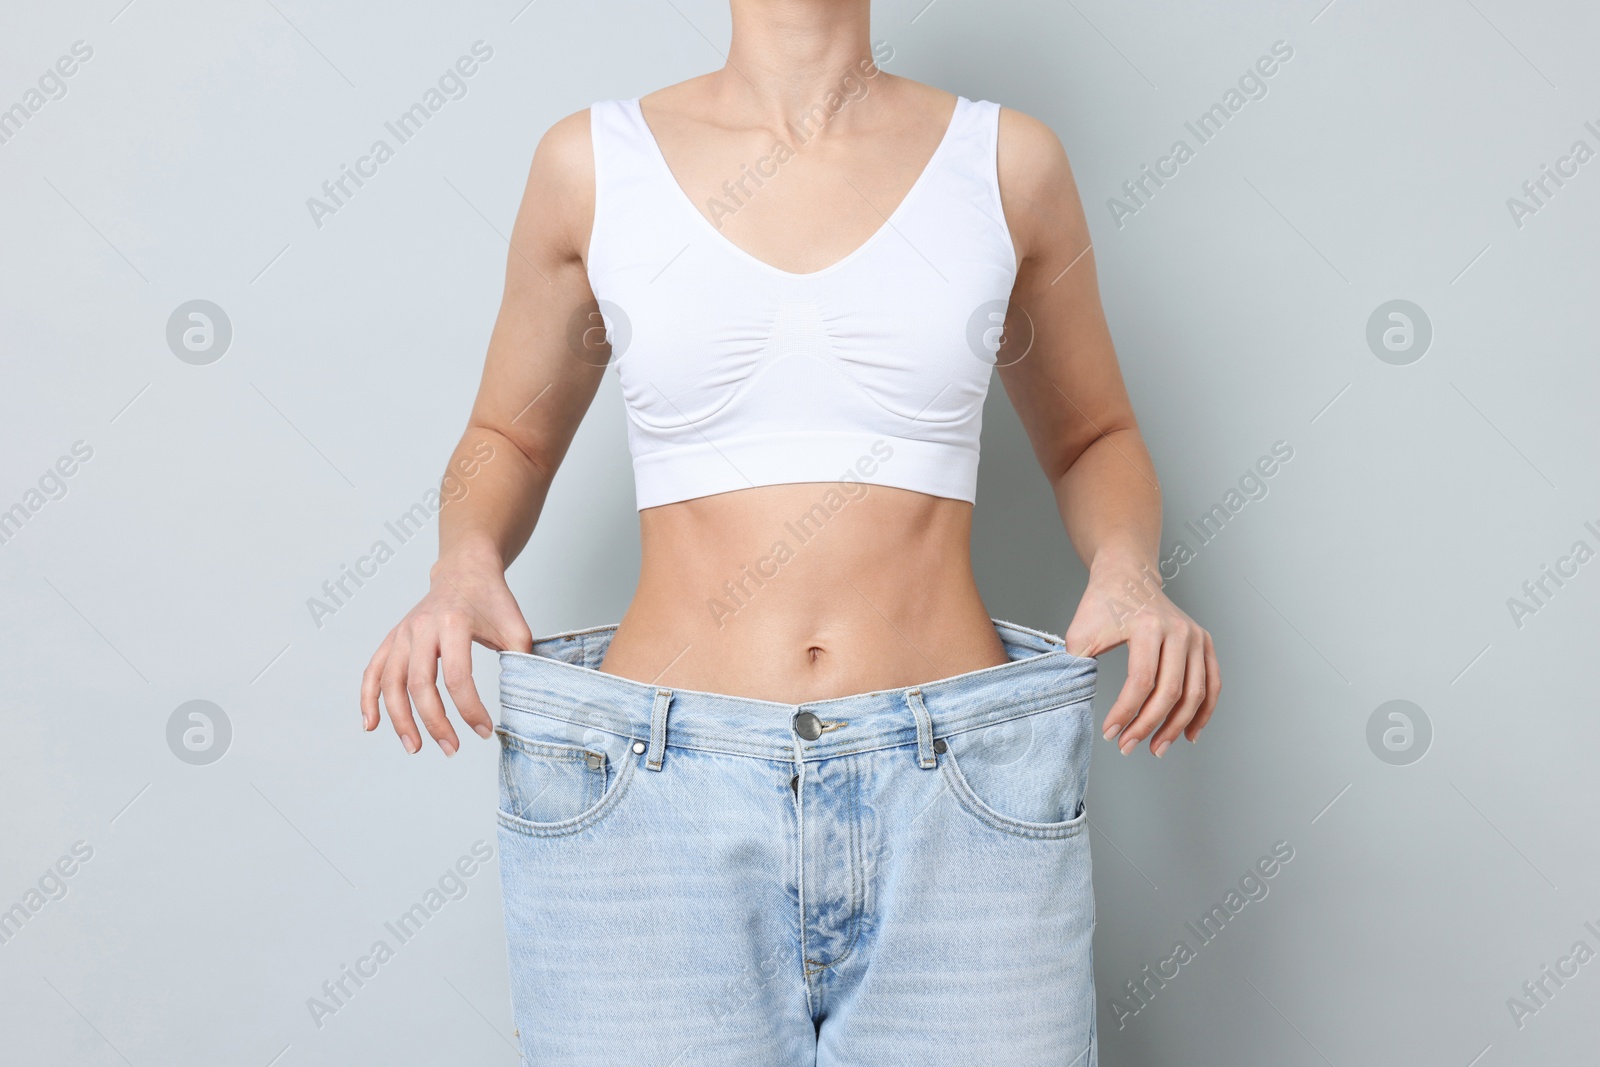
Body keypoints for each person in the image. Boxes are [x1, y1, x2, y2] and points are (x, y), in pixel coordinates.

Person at [361, 3, 1218, 1063]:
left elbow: (1093, 434)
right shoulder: (591, 164)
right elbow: (509, 436)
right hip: (653, 807)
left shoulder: (1005, 162)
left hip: (958, 803)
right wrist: (461, 564)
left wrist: (1129, 568)